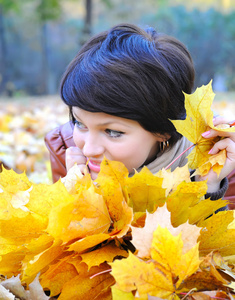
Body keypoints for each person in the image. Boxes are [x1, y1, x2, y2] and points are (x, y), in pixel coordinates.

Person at [45, 23, 235, 208]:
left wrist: (208, 187)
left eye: (112, 131)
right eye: (79, 123)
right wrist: (79, 194)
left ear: (163, 129)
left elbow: (216, 237)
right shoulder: (66, 151)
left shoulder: (217, 160)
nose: (89, 150)